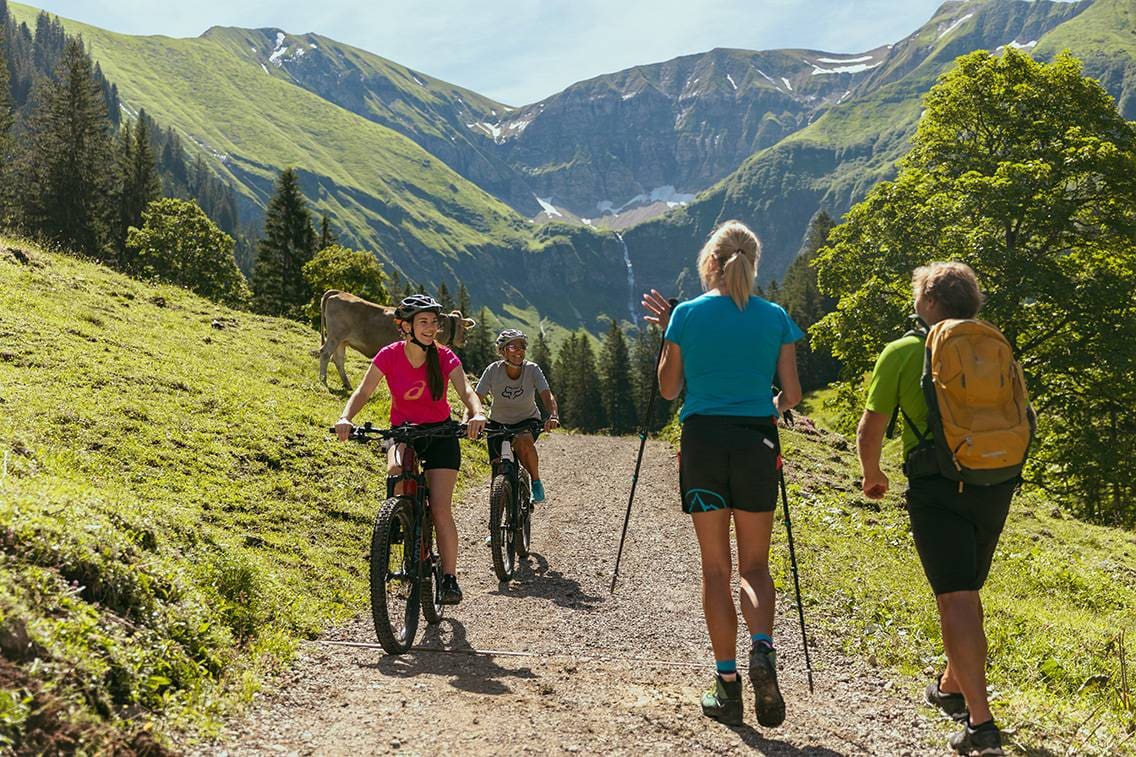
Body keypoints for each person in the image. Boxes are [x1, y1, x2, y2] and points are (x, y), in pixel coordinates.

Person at [642, 220, 803, 728]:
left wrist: (669, 336)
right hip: (756, 441)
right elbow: (792, 394)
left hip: (703, 443)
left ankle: (727, 685)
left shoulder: (686, 315)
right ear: (753, 262)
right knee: (755, 567)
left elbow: (669, 389)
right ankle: (763, 648)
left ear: (709, 262)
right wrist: (767, 408)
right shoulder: (775, 316)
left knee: (716, 570)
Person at [856, 262, 1016, 756]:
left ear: (928, 302)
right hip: (996, 481)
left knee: (956, 598)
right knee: (967, 590)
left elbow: (870, 429)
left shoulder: (905, 350)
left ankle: (981, 725)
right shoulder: (992, 346)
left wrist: (872, 473)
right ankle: (950, 686)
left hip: (940, 484)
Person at [335, 294, 486, 605]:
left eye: (434, 322)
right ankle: (398, 520)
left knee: (440, 508)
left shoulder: (444, 357)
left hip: (440, 435)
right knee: (395, 470)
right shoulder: (389, 355)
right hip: (404, 432)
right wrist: (345, 417)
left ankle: (449, 578)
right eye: (423, 322)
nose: (431, 328)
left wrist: (477, 413)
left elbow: (467, 390)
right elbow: (363, 391)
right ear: (405, 326)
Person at [475, 329, 559, 504]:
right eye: (513, 347)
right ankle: (497, 516)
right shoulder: (493, 370)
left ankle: (536, 482)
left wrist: (553, 415)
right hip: (497, 422)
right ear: (503, 351)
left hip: (526, 420)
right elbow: (476, 399)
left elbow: (546, 395)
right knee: (497, 468)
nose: (519, 351)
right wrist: (470, 419)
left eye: (522, 347)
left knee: (523, 442)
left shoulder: (532, 369)